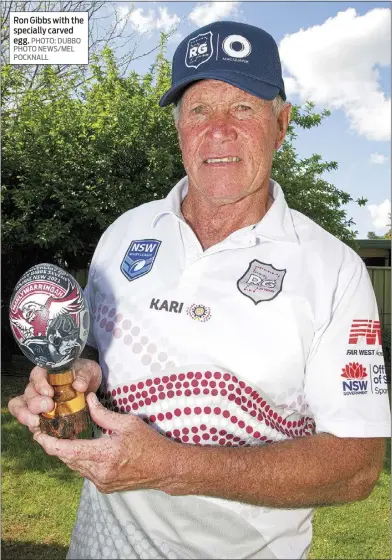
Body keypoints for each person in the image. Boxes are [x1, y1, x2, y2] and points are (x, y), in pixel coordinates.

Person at [8, 20, 390, 560]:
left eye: (242, 108)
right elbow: (95, 351)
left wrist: (172, 468)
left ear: (281, 125)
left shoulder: (336, 271)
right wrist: (79, 377)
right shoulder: (125, 233)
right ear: (178, 128)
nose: (218, 131)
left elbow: (356, 467)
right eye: (198, 110)